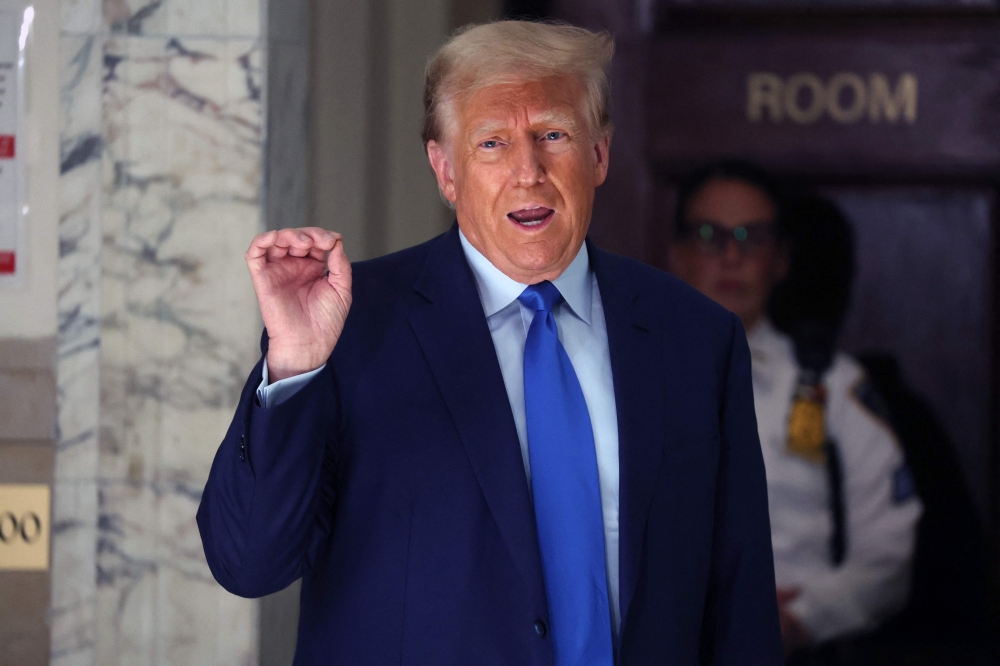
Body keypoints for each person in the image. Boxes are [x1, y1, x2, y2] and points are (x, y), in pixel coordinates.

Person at [197, 23, 782, 665]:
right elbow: (249, 563)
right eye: (493, 143)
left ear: (599, 155)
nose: (527, 172)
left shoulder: (696, 336)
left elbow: (739, 601)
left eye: (552, 135)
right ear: (445, 170)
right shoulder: (352, 326)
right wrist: (294, 367)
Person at [669, 161, 923, 657]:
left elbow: (889, 553)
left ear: (780, 260)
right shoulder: (620, 376)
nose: (732, 256)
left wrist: (796, 621)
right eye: (709, 235)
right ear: (677, 254)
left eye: (753, 237)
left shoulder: (833, 383)